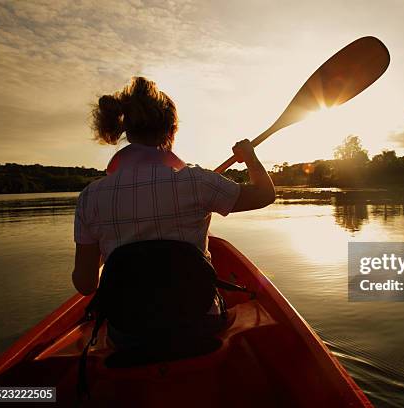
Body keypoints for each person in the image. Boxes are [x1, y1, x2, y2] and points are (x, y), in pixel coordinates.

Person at [72, 76, 275, 346]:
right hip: (200, 322)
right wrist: (250, 157)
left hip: (128, 333)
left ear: (126, 130)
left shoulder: (91, 197)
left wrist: (102, 255)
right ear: (171, 131)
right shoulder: (198, 182)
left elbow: (85, 285)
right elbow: (265, 194)